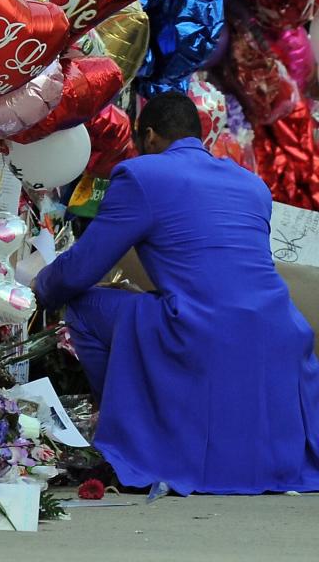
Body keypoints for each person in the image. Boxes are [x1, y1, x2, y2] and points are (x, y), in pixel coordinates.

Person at [32, 92, 319, 495]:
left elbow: (81, 269)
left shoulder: (141, 175)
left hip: (200, 328)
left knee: (82, 306)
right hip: (280, 330)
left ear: (148, 136)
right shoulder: (251, 185)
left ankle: (121, 427)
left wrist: (38, 288)